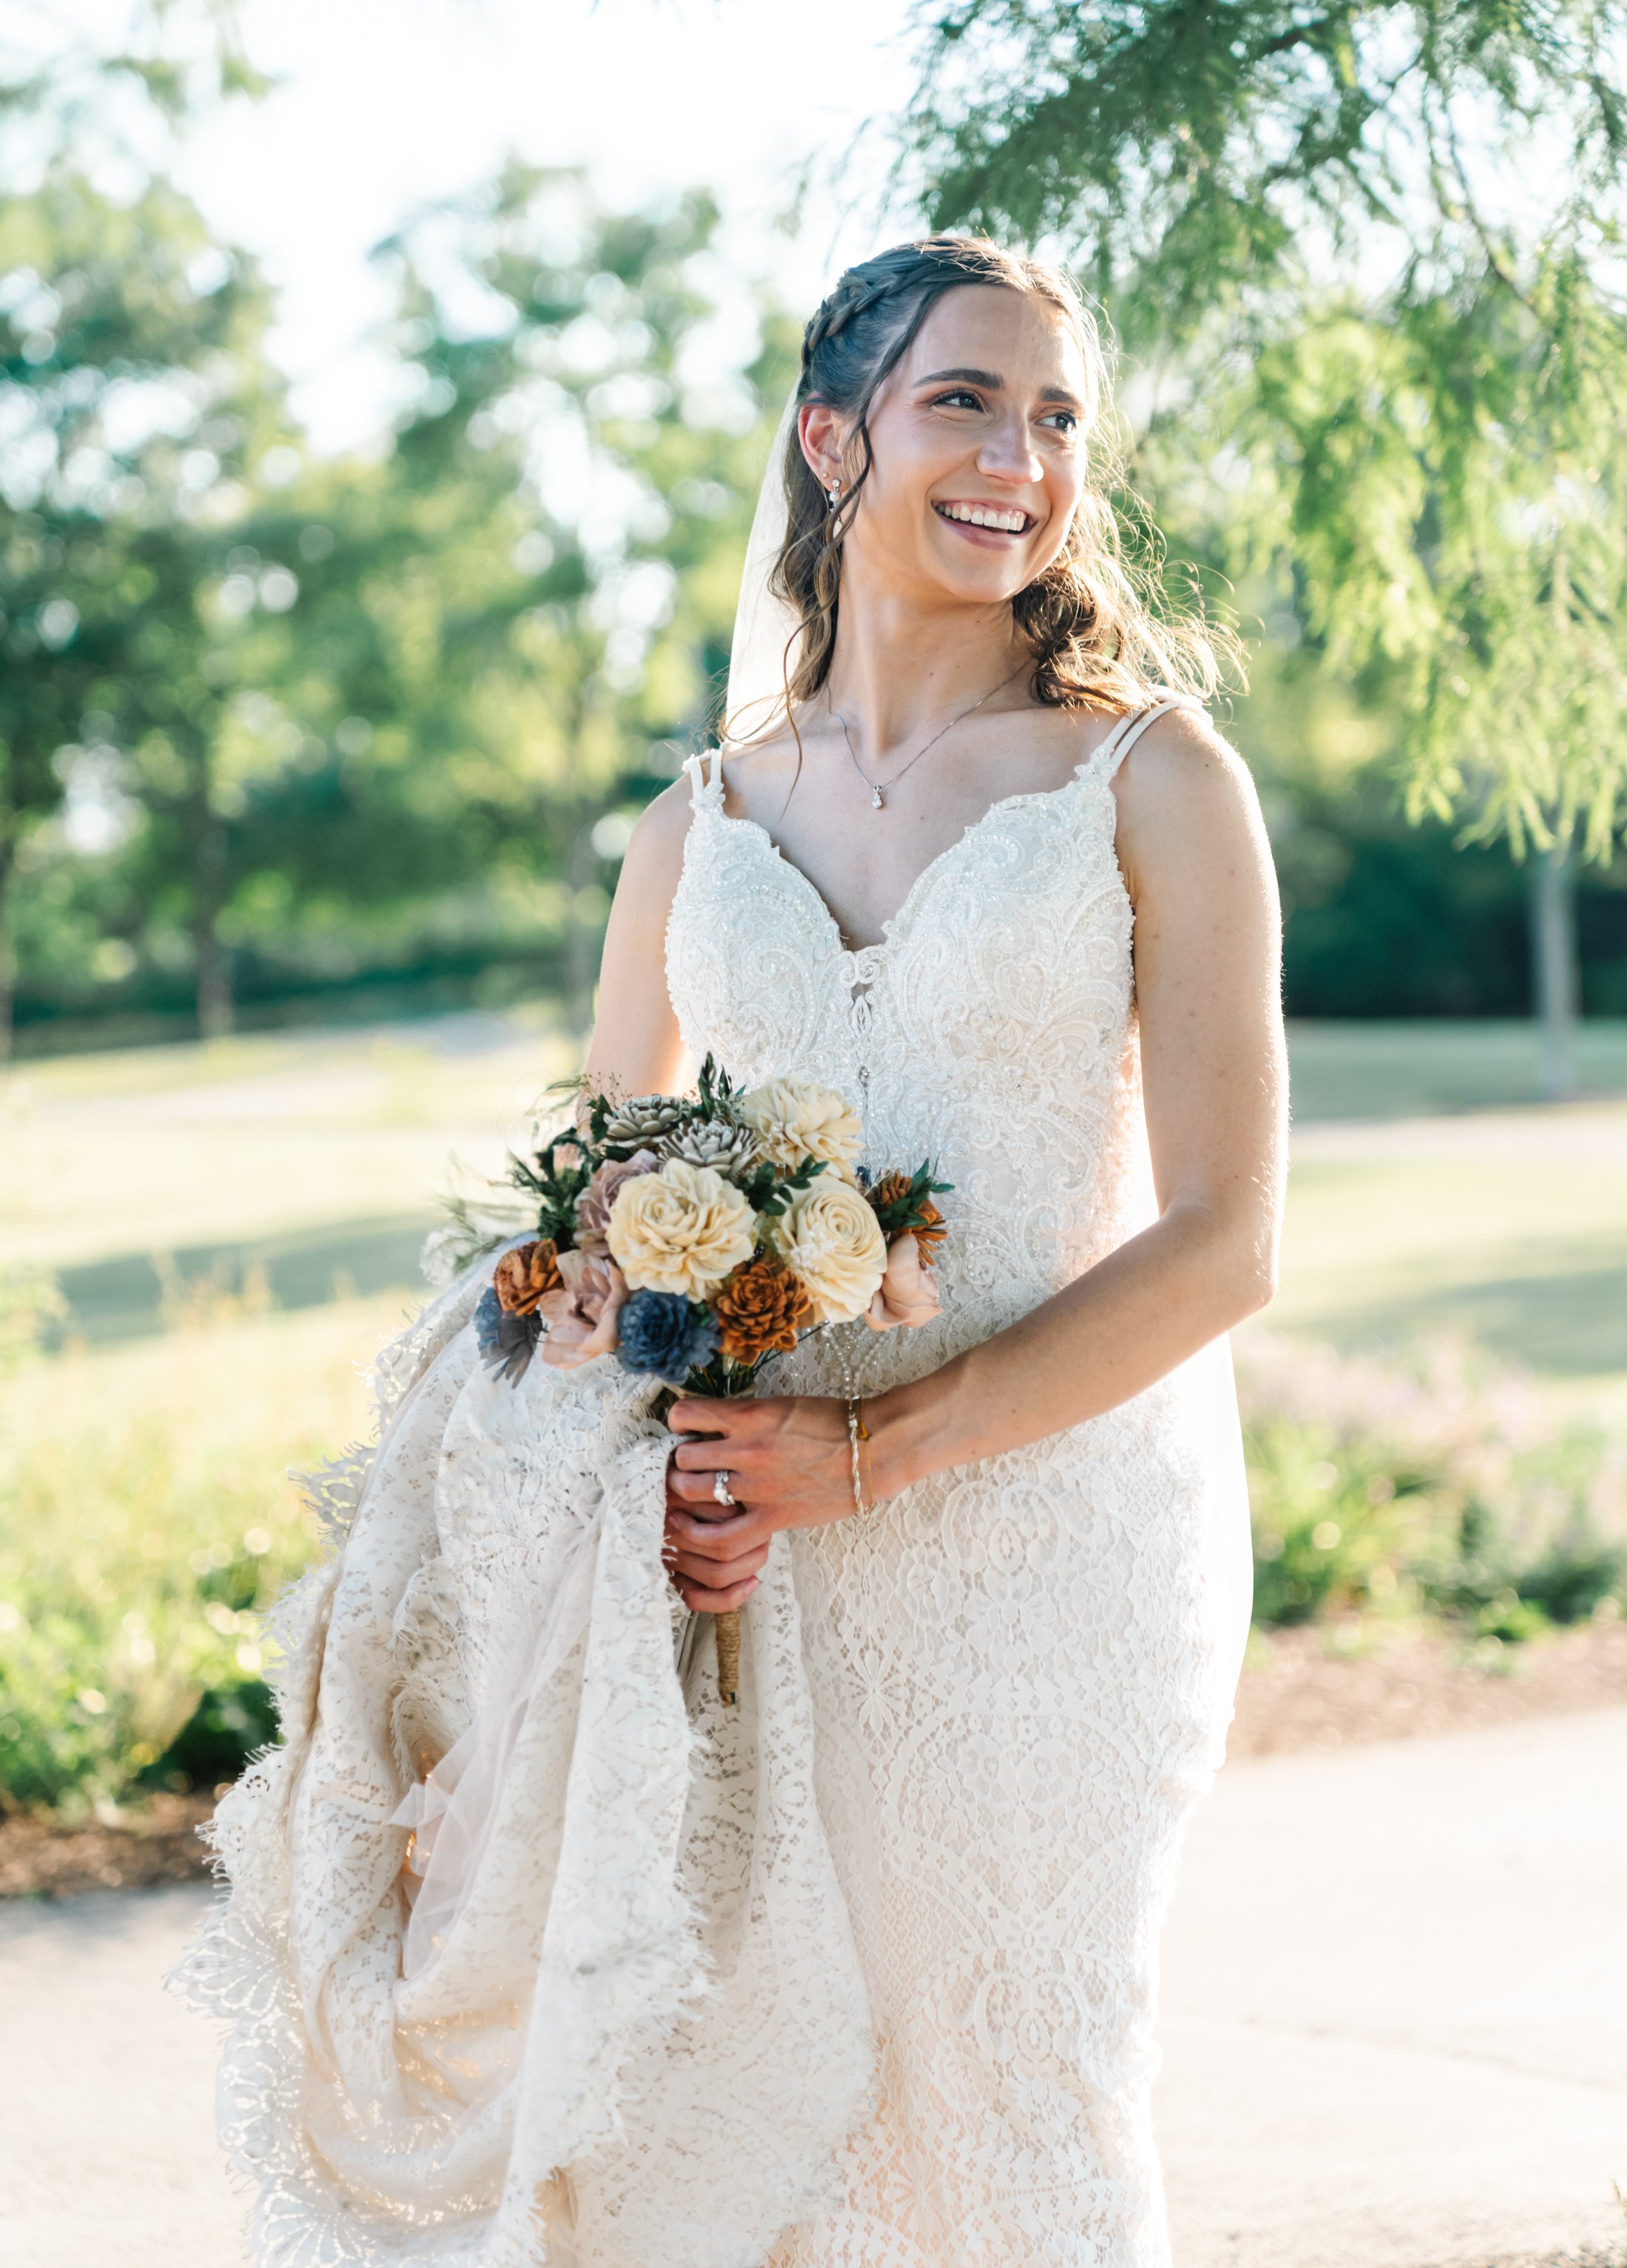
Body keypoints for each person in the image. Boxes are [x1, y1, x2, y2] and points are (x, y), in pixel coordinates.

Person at [175, 234, 1286, 2268]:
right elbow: (601, 1216)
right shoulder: (699, 821)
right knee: (765, 2109)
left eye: (1059, 418)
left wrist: (877, 1449)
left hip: (1064, 1550)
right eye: (968, 399)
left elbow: (1226, 1243)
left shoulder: (1152, 779)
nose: (1021, 460)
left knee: (1018, 2077)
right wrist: (626, 1485)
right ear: (832, 431)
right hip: (757, 1574)